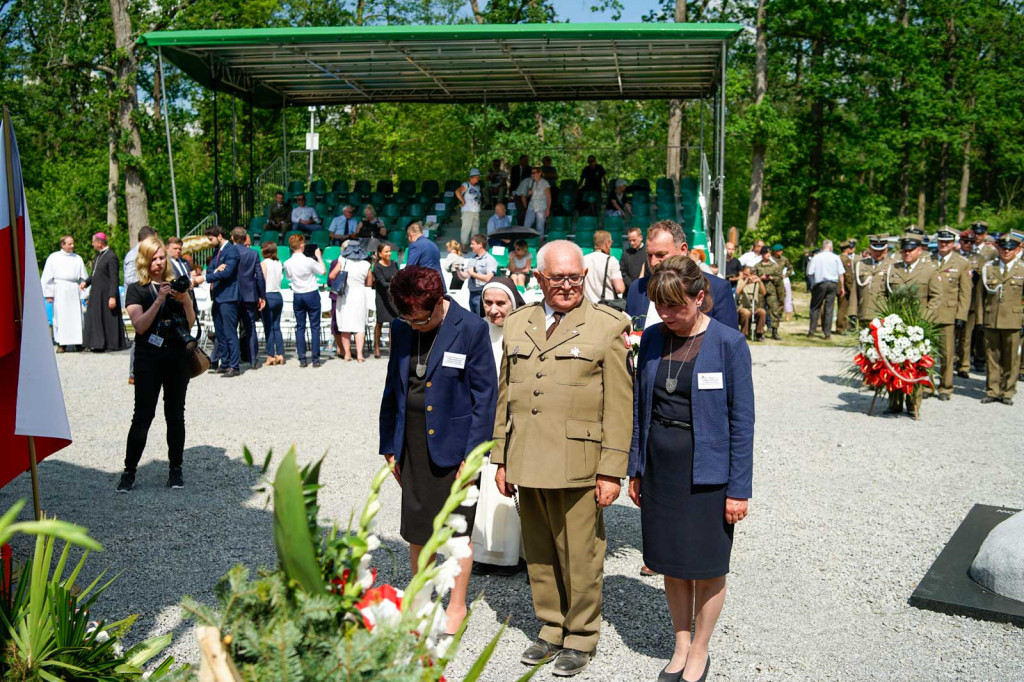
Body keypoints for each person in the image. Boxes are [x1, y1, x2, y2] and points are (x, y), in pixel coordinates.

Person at [491, 240, 632, 677]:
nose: (569, 285)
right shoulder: (518, 322)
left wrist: (611, 470)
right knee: (537, 550)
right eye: (558, 278)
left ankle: (582, 635)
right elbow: (506, 396)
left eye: (575, 276)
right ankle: (551, 627)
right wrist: (501, 457)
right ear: (539, 279)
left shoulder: (608, 325)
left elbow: (620, 406)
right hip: (528, 457)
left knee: (581, 554)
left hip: (579, 462)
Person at [627, 256, 754, 682]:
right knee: (672, 561)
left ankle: (700, 649)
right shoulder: (653, 339)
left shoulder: (728, 344)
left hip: (708, 473)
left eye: (676, 307)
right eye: (660, 307)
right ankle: (680, 643)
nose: (667, 316)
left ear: (700, 298)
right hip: (661, 467)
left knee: (706, 563)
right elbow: (639, 407)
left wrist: (739, 488)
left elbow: (742, 421)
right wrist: (637, 468)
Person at [378, 265, 497, 635]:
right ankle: (421, 600)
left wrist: (474, 456)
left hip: (456, 447)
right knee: (417, 529)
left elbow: (485, 397)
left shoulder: (471, 329)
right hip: (412, 442)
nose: (414, 325)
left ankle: (457, 605)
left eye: (420, 319)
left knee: (457, 531)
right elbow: (392, 389)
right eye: (408, 319)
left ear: (439, 302)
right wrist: (389, 444)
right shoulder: (402, 327)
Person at [117, 236, 197, 492]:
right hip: (148, 357)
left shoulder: (178, 285)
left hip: (176, 357)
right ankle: (129, 471)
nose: (159, 263)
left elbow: (191, 323)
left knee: (175, 415)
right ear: (145, 260)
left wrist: (185, 300)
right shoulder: (136, 289)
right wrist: (159, 300)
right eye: (154, 259)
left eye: (162, 257)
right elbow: (140, 326)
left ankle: (176, 469)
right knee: (143, 416)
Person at [472, 277, 526, 576]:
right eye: (488, 303)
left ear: (513, 303)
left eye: (500, 303)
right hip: (484, 420)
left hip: (516, 421)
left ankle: (517, 555)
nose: (493, 310)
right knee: (485, 487)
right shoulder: (477, 331)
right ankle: (486, 553)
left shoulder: (524, 331)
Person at [626, 221, 738, 332]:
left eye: (661, 255)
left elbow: (729, 345)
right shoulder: (637, 289)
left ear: (683, 249)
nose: (653, 262)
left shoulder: (717, 289)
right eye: (649, 255)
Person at [884, 232, 941, 416]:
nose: (906, 253)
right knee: (893, 363)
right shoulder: (894, 269)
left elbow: (936, 297)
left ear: (919, 250)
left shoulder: (929, 270)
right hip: (896, 325)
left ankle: (913, 404)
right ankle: (894, 403)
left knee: (915, 366)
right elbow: (884, 294)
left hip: (918, 325)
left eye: (910, 250)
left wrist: (923, 319)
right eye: (904, 250)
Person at [979, 233, 1024, 405]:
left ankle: (1007, 391)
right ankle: (992, 390)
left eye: (1011, 248)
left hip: (1013, 319)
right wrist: (981, 319)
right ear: (997, 248)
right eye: (1003, 248)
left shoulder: (1021, 269)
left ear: (1017, 249)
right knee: (992, 357)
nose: (1006, 251)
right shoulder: (989, 268)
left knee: (1011, 358)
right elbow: (980, 297)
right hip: (992, 318)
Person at [929, 228, 972, 401]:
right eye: (941, 241)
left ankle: (945, 387)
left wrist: (961, 316)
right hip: (929, 313)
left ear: (953, 243)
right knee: (928, 353)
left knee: (947, 353)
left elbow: (965, 292)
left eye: (947, 242)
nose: (943, 245)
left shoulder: (961, 263)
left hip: (949, 313)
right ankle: (927, 385)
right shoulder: (927, 260)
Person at [283, 233, 325, 367]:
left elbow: (289, 277)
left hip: (298, 294)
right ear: (301, 246)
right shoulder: (309, 261)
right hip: (311, 293)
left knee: (300, 326)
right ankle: (315, 358)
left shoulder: (287, 263)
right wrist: (319, 257)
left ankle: (302, 358)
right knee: (315, 326)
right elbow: (322, 271)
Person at [226, 227, 266, 370]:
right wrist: (262, 295)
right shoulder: (253, 253)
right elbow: (259, 276)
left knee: (231, 328)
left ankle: (232, 360)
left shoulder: (228, 252)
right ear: (245, 239)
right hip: (249, 295)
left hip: (232, 295)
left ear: (232, 238)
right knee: (250, 328)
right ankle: (253, 359)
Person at [204, 225, 241, 377]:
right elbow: (210, 270)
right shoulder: (217, 252)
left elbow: (227, 273)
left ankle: (234, 365)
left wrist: (210, 274)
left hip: (229, 297)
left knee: (230, 333)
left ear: (219, 236)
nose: (210, 242)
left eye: (211, 238)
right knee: (221, 333)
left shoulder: (232, 251)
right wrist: (215, 271)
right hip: (218, 298)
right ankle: (224, 362)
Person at [82, 232, 127, 352]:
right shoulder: (98, 256)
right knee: (96, 318)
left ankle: (110, 344)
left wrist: (112, 296)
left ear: (100, 243)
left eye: (93, 242)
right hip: (97, 294)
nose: (92, 244)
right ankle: (97, 344)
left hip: (107, 294)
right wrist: (86, 283)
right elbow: (94, 274)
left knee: (108, 319)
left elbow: (114, 278)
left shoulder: (111, 256)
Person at [41, 235, 87, 352]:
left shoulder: (77, 258)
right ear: (63, 244)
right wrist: (48, 294)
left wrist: (85, 294)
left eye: (73, 243)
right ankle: (62, 343)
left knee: (76, 317)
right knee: (61, 317)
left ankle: (78, 342)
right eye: (70, 244)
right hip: (60, 290)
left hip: (73, 289)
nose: (73, 246)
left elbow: (84, 278)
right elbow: (47, 277)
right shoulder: (53, 258)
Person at [331, 240, 374, 362]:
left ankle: (347, 354)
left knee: (345, 326)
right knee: (359, 326)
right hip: (360, 294)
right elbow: (369, 283)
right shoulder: (366, 264)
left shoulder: (343, 261)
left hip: (345, 295)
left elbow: (332, 276)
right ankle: (360, 355)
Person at [806, 240, 845, 340]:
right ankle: (827, 333)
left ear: (822, 247)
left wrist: (811, 285)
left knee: (815, 307)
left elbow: (810, 272)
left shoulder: (816, 257)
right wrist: (842, 287)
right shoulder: (836, 257)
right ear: (831, 247)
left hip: (820, 283)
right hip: (833, 283)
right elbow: (841, 274)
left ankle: (811, 331)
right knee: (829, 309)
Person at [849, 234, 891, 326]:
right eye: (875, 250)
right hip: (864, 312)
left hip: (883, 314)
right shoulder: (861, 264)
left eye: (881, 250)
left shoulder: (893, 265)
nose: (878, 253)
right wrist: (852, 312)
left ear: (886, 249)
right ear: (869, 249)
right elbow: (855, 291)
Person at [458, 234, 498, 316]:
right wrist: (458, 270)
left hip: (482, 293)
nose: (470, 246)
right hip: (472, 292)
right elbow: (465, 276)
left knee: (482, 318)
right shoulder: (472, 258)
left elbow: (489, 278)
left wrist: (473, 274)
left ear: (480, 245)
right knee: (474, 317)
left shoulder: (489, 260)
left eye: (473, 244)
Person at [372, 242, 399, 359]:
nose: (389, 253)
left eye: (389, 251)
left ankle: (391, 347)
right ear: (380, 253)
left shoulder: (394, 264)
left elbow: (398, 277)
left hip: (392, 296)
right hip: (382, 297)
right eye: (386, 251)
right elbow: (382, 283)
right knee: (380, 322)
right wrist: (393, 282)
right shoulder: (377, 266)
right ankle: (376, 347)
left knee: (393, 322)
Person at [583, 230, 625, 305]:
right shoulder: (611, 261)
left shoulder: (583, 259)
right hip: (606, 308)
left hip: (587, 307)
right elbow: (620, 289)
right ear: (607, 243)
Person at [260, 241, 285, 366]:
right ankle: (280, 353)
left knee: (268, 327)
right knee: (277, 326)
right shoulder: (279, 263)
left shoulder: (264, 263)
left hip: (268, 295)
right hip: (278, 295)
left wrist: (260, 297)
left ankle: (270, 355)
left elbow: (262, 280)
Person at [754, 248, 784, 340]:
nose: (768, 254)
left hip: (771, 291)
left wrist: (771, 278)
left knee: (774, 311)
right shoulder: (757, 266)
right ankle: (759, 332)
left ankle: (774, 331)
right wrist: (760, 278)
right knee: (760, 311)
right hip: (760, 292)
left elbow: (780, 278)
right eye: (766, 253)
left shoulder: (774, 266)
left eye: (769, 253)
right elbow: (753, 277)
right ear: (762, 254)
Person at [735, 265, 767, 340]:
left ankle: (759, 333)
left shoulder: (756, 283)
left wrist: (759, 281)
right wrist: (746, 281)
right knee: (746, 313)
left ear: (752, 274)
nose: (744, 275)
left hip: (754, 307)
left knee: (762, 312)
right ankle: (744, 333)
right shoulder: (741, 281)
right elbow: (738, 291)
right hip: (743, 307)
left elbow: (764, 293)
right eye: (744, 274)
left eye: (746, 274)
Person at [455, 168, 483, 245]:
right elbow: (457, 191)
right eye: (477, 177)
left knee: (475, 230)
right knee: (466, 228)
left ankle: (474, 245)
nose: (478, 178)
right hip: (468, 210)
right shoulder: (466, 185)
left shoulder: (477, 186)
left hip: (476, 211)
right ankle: (463, 245)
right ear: (472, 177)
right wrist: (462, 200)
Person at [523, 167, 551, 239]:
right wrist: (529, 193)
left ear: (539, 173)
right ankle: (526, 243)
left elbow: (549, 197)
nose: (532, 175)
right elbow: (527, 195)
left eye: (534, 173)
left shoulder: (545, 183)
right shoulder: (531, 182)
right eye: (532, 173)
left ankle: (540, 245)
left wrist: (548, 209)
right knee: (526, 225)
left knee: (540, 227)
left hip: (541, 208)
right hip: (531, 207)